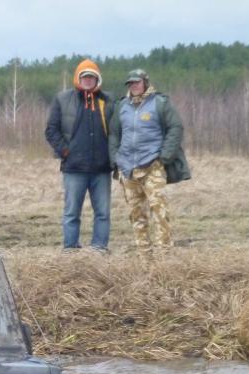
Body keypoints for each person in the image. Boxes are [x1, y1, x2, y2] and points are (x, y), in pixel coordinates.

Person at [108, 68, 190, 258]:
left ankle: (163, 256)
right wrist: (116, 159)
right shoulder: (122, 106)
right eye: (130, 83)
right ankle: (145, 257)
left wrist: (165, 156)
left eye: (137, 82)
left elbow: (176, 127)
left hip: (152, 167)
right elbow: (113, 134)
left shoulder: (160, 103)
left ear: (145, 82)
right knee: (136, 215)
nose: (134, 86)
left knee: (159, 211)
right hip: (128, 169)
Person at [45, 58, 114, 251]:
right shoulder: (63, 99)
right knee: (71, 213)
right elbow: (51, 130)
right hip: (74, 168)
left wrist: (114, 157)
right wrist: (65, 151)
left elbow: (118, 130)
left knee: (103, 213)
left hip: (102, 169)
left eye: (92, 77)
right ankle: (70, 249)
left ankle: (99, 249)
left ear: (97, 79)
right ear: (78, 78)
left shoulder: (108, 101)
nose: (88, 80)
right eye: (85, 77)